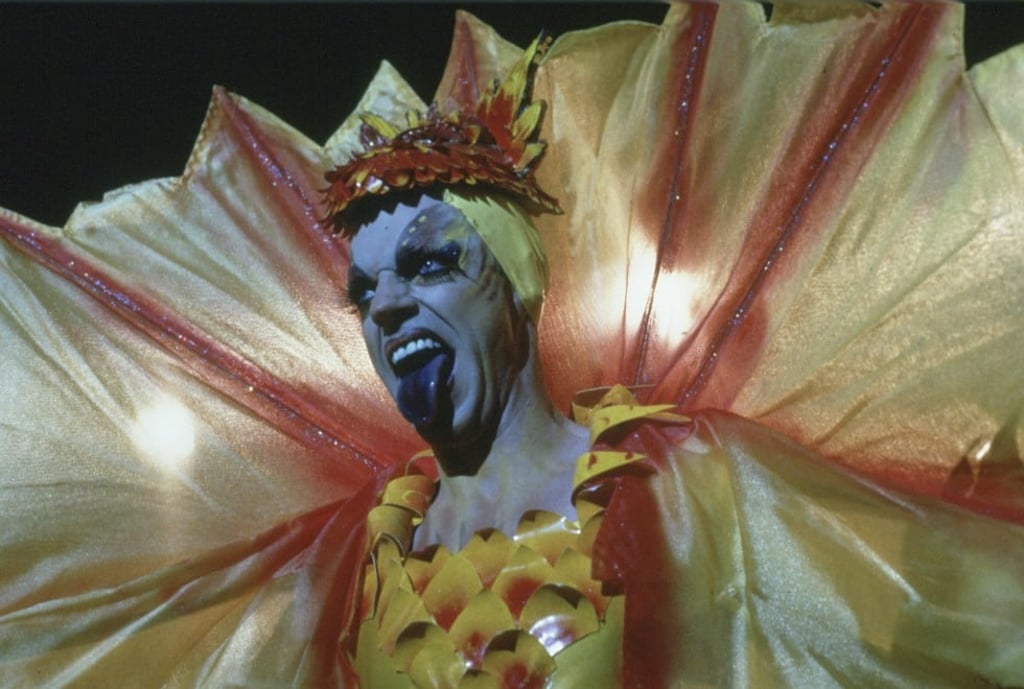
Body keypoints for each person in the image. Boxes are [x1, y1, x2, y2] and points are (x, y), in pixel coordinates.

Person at [1, 4, 1023, 688]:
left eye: (429, 264)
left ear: (520, 285)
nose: (387, 306)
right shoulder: (356, 557)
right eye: (366, 291)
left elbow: (958, 605)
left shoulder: (686, 478)